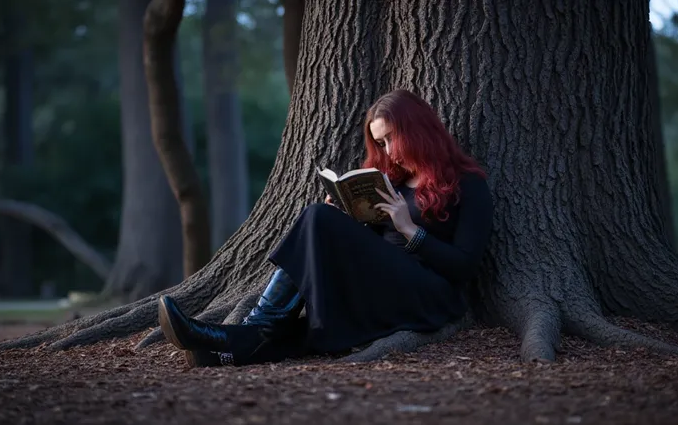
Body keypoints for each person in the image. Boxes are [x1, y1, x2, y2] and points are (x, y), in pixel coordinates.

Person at [157, 89, 494, 367]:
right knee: (312, 325)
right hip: (380, 286)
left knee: (317, 217)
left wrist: (411, 231)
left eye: (392, 139)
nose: (388, 152)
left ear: (416, 131)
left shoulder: (467, 183)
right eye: (380, 143)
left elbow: (465, 267)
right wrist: (351, 219)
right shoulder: (392, 181)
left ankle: (254, 328)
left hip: (430, 296)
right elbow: (375, 247)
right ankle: (219, 348)